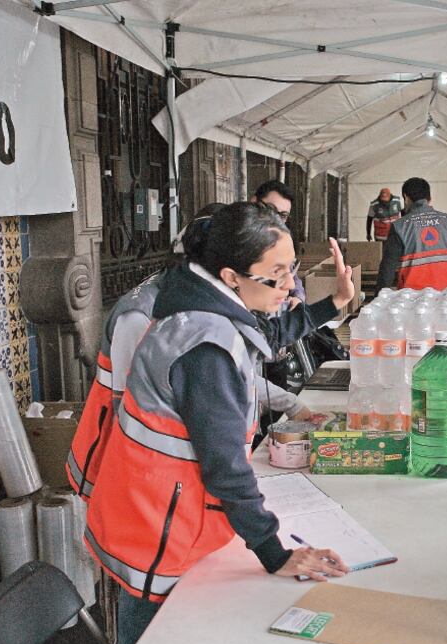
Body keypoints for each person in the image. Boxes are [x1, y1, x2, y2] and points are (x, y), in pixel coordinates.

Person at [85, 202, 354, 644]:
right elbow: (225, 467)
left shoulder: (200, 300)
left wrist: (334, 303)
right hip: (160, 528)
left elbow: (265, 335)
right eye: (277, 275)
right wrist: (274, 552)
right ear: (232, 276)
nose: (290, 287)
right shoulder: (205, 347)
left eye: (291, 269)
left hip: (163, 512)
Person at [67, 203, 312, 501]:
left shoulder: (204, 304)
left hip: (173, 485)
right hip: (123, 475)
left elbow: (230, 375)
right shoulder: (142, 315)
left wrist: (291, 404)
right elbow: (129, 417)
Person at [376, 177, 447, 294]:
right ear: (429, 198)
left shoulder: (399, 226)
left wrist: (378, 299)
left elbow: (387, 269)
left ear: (406, 198)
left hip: (411, 299)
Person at [252, 180, 305, 307]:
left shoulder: (282, 241)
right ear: (254, 201)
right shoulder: (239, 239)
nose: (275, 219)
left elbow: (293, 277)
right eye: (270, 210)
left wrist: (297, 297)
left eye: (283, 215)